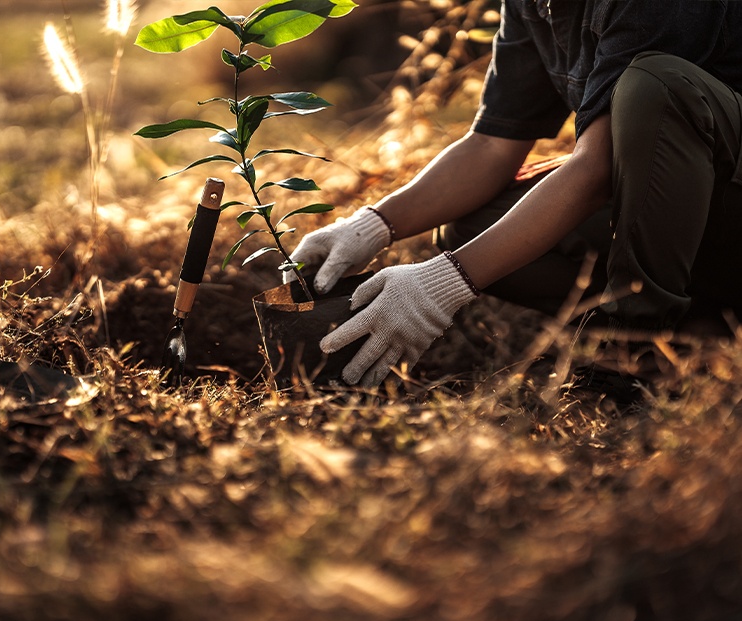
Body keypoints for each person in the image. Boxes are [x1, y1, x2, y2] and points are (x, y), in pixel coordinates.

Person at [285, 0, 742, 389]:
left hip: (729, 204)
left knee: (654, 84)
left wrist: (441, 286)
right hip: (689, 215)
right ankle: (700, 325)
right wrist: (371, 225)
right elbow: (491, 144)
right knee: (469, 226)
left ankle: (636, 352)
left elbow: (599, 166)